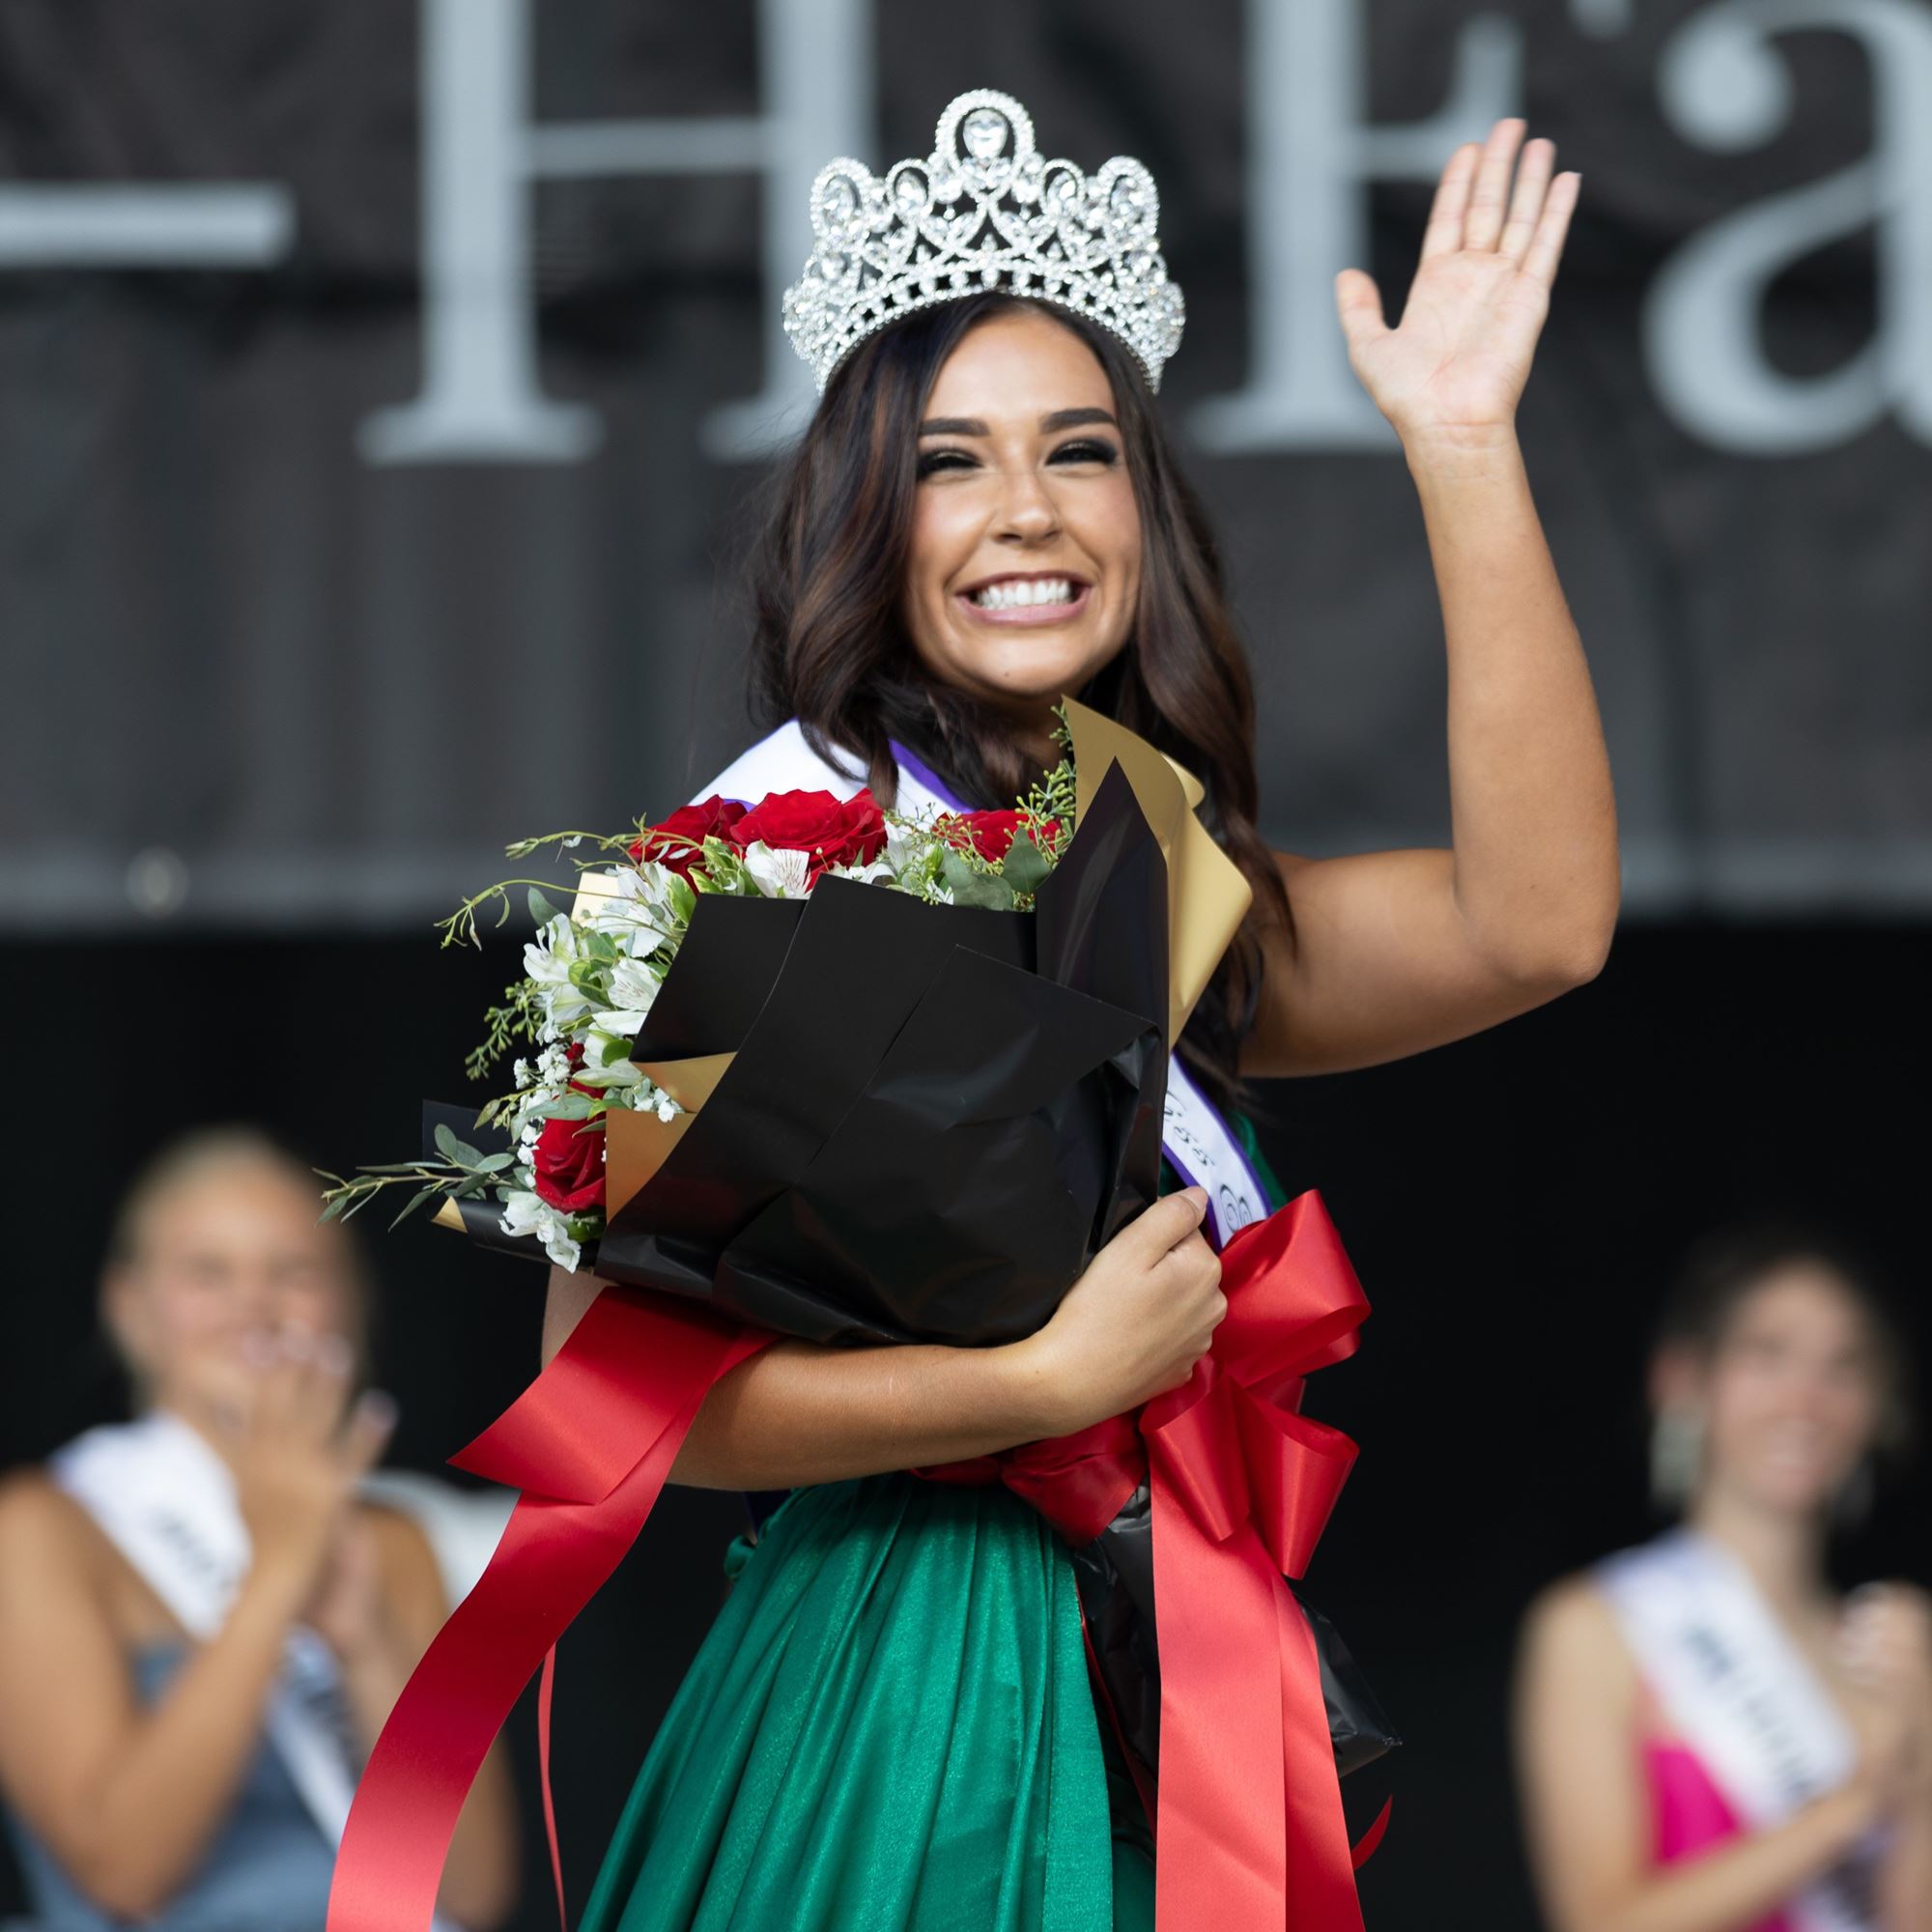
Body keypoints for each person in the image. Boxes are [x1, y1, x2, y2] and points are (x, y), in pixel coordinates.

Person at [543, 91, 1619, 1930]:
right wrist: (1031, 1387)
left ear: (1147, 505)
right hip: (892, 1689)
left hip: (1161, 1669)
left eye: (1081, 452)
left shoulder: (1160, 878)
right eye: (953, 462)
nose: (1024, 514)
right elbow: (598, 1397)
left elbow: (1537, 927)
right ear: (867, 516)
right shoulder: (738, 864)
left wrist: (1460, 448)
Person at [0, 1127, 519, 1931]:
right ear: (129, 1310)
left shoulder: (393, 1541)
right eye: (208, 1272)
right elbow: (122, 1871)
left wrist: (364, 1637)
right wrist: (277, 1573)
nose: (255, 1303)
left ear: (352, 1308)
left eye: (294, 1270)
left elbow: (473, 1889)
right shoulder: (44, 1530)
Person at [1515, 1222, 1932, 1932]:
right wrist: (1854, 1806)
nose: (1807, 1399)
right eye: (1768, 1354)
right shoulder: (1594, 1627)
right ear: (1682, 1379)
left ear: (1877, 1409)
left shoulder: (1898, 1652)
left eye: (1845, 1366)